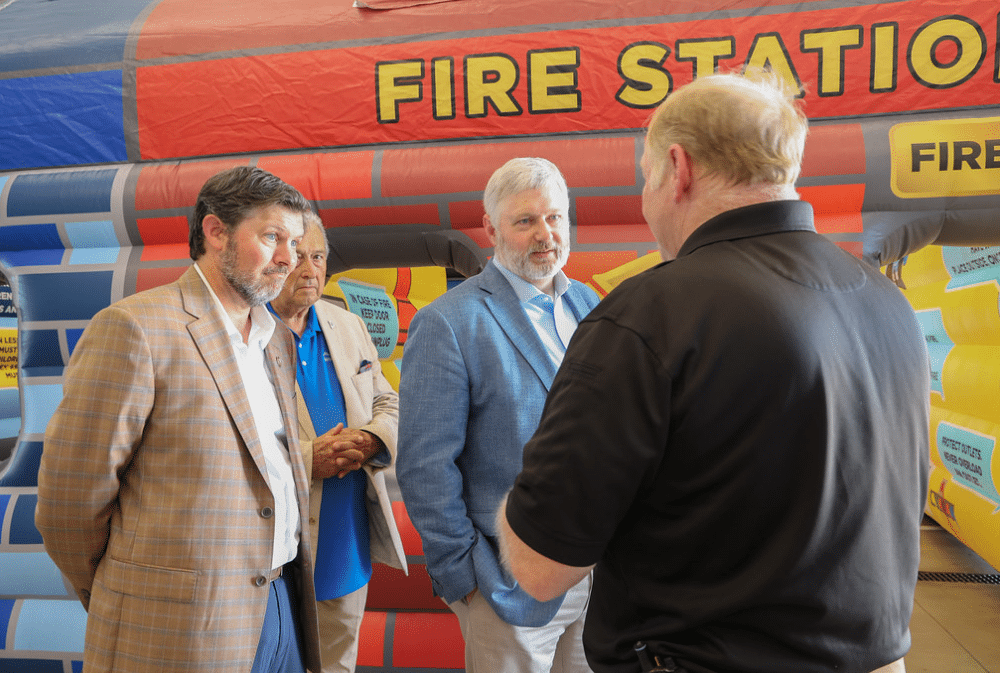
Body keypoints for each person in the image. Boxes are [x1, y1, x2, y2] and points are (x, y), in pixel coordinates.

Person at [498, 71, 931, 673]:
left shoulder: (651, 314)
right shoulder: (886, 301)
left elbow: (540, 566)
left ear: (678, 169)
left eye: (646, 176)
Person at [37, 166, 322, 673]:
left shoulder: (275, 338)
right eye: (273, 237)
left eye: (296, 243)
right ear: (216, 232)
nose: (289, 258)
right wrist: (123, 591)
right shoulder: (135, 329)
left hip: (282, 602)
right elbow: (69, 502)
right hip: (176, 622)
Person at [396, 157, 601, 673]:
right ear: (491, 229)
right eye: (525, 220)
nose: (545, 234)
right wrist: (464, 577)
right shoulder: (447, 322)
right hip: (506, 581)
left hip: (599, 573)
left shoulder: (588, 304)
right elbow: (424, 466)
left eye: (554, 217)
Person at [268, 213, 407, 673]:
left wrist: (370, 439)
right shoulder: (243, 333)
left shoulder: (348, 325)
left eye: (319, 257)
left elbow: (388, 401)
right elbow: (220, 442)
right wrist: (308, 460)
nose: (310, 270)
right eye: (298, 257)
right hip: (273, 557)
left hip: (345, 544)